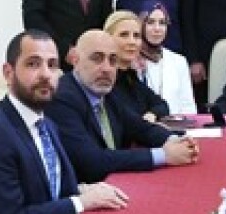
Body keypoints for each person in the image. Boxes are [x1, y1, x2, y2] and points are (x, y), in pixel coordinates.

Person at [0, 31, 129, 214]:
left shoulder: (46, 123)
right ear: (8, 72)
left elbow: (48, 192)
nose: (46, 74)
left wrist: (84, 189)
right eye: (33, 64)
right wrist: (79, 202)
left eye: (52, 65)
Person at [46, 29, 199, 183]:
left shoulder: (108, 93)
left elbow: (140, 128)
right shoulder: (61, 98)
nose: (106, 68)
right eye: (97, 58)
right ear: (75, 60)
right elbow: (91, 161)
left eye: (113, 60)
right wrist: (164, 155)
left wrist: (176, 140)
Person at [104, 9, 170, 122]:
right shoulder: (104, 80)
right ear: (108, 38)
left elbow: (162, 105)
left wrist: (152, 114)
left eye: (136, 36)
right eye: (124, 35)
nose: (132, 42)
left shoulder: (131, 78)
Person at [134, 0, 196, 115]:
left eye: (162, 23)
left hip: (176, 124)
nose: (157, 28)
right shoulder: (132, 60)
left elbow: (188, 107)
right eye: (150, 22)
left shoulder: (179, 61)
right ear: (140, 24)